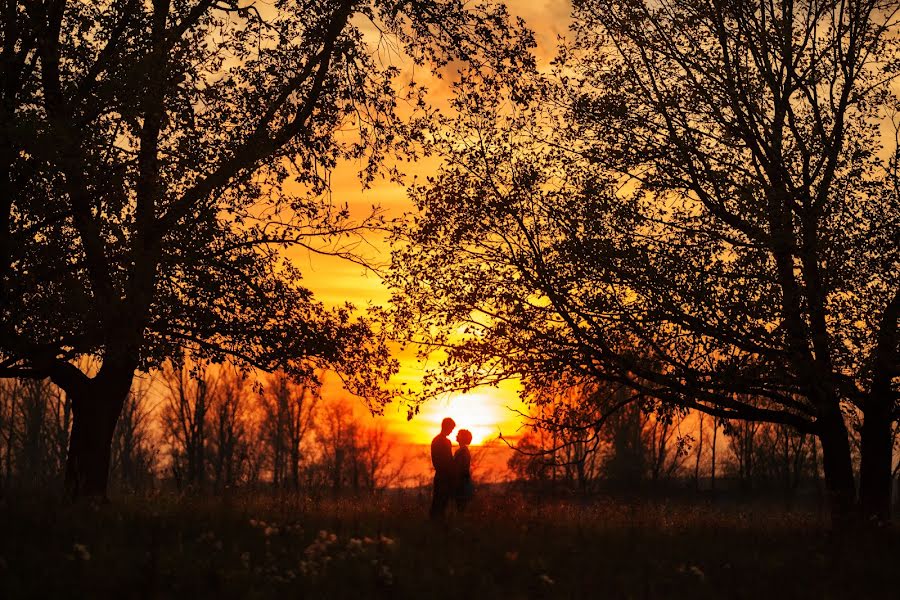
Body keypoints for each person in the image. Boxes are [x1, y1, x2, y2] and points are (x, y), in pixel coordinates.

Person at [430, 417, 456, 519]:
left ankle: (434, 525)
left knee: (438, 503)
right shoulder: (443, 441)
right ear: (447, 427)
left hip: (440, 475)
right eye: (451, 429)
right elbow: (447, 460)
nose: (451, 431)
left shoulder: (436, 440)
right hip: (444, 477)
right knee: (440, 503)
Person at [453, 429, 474, 512]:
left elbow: (460, 469)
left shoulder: (462, 452)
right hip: (462, 483)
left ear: (463, 438)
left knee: (460, 508)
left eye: (459, 434)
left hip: (461, 484)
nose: (456, 436)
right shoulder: (463, 451)